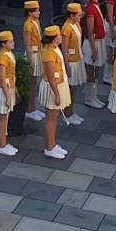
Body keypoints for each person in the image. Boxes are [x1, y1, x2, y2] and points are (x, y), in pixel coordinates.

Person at [39, 23, 71, 160]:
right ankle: (49, 147)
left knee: (55, 117)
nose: (61, 37)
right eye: (58, 35)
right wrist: (57, 95)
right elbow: (51, 77)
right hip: (53, 88)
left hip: (59, 84)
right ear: (54, 38)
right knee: (51, 119)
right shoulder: (48, 53)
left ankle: (53, 144)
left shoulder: (54, 48)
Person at [0, 29, 18, 156]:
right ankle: (1, 145)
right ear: (3, 44)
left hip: (9, 87)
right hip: (4, 90)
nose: (13, 43)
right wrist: (8, 97)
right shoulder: (2, 57)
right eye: (10, 42)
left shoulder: (8, 53)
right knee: (3, 118)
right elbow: (2, 79)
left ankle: (4, 143)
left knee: (5, 118)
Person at [61, 2, 87, 125]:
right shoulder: (66, 28)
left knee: (74, 88)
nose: (80, 16)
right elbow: (64, 49)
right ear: (71, 15)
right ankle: (67, 113)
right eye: (78, 15)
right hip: (71, 62)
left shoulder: (76, 23)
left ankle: (71, 111)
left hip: (78, 58)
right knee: (70, 88)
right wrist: (66, 66)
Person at [22, 0, 44, 121]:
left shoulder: (36, 21)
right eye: (36, 10)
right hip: (33, 54)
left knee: (35, 83)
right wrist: (30, 60)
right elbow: (27, 44)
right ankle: (29, 109)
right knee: (31, 83)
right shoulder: (28, 25)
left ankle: (33, 107)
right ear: (30, 12)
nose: (39, 12)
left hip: (38, 53)